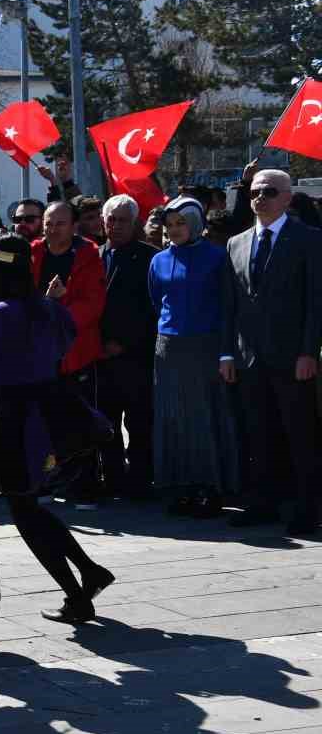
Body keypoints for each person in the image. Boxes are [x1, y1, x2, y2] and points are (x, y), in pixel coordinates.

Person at [0, 236, 115, 622]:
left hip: (16, 414)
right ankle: (87, 573)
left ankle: (77, 592)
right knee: (29, 504)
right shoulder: (49, 308)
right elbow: (66, 342)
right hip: (53, 406)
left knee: (23, 508)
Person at [222, 170, 322, 534]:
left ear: (287, 198)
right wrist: (227, 354)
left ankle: (307, 509)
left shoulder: (309, 239)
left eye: (268, 192)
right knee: (257, 434)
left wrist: (308, 352)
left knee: (299, 434)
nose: (260, 198)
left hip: (292, 356)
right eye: (254, 192)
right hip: (249, 357)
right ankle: (263, 502)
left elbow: (315, 301)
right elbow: (231, 305)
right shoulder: (237, 243)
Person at [149, 197, 240, 517]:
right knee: (172, 417)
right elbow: (158, 302)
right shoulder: (158, 260)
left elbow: (228, 306)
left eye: (181, 223)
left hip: (206, 346)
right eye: (169, 224)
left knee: (204, 417)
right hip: (168, 348)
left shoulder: (217, 256)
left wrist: (226, 351)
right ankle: (178, 485)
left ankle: (210, 487)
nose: (174, 230)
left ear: (196, 223)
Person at [32, 201, 105, 509]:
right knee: (43, 423)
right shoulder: (33, 253)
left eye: (59, 223)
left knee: (79, 421)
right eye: (48, 223)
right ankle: (46, 483)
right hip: (39, 354)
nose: (52, 228)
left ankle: (84, 488)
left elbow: (92, 305)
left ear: (73, 225)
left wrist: (56, 309)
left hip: (76, 353)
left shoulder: (87, 255)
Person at [97, 195, 158, 498]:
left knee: (139, 423)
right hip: (99, 359)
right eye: (111, 219)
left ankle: (140, 480)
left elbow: (153, 310)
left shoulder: (150, 258)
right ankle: (113, 479)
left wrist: (123, 343)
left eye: (123, 220)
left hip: (135, 357)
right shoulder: (93, 256)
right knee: (105, 424)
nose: (116, 225)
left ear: (134, 224)